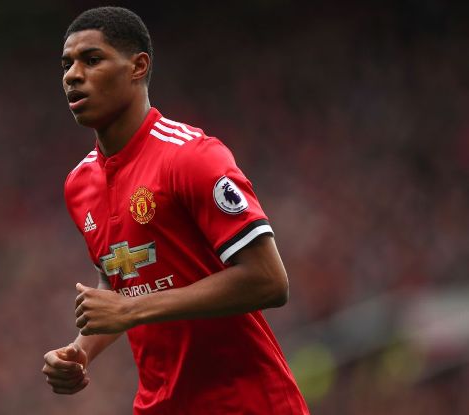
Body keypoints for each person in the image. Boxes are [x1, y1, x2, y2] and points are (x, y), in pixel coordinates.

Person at [42, 6, 309, 414]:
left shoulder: (191, 156)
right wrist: (81, 350)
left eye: (92, 60)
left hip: (247, 404)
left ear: (138, 67)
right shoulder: (79, 184)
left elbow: (270, 281)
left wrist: (130, 309)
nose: (72, 75)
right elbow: (122, 276)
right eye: (67, 64)